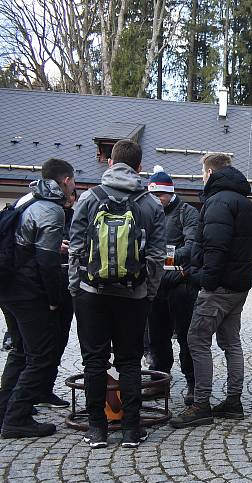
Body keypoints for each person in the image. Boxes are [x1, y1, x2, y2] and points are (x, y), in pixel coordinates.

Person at [69, 140, 166, 448]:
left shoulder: (88, 198)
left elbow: (75, 249)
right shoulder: (151, 204)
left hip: (91, 292)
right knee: (129, 361)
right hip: (133, 295)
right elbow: (156, 257)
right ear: (139, 168)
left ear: (109, 163)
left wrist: (76, 288)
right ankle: (131, 431)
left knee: (94, 361)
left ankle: (96, 430)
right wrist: (148, 292)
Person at [169, 153, 252, 428]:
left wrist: (203, 279)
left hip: (218, 287)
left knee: (197, 339)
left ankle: (201, 404)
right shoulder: (245, 202)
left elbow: (215, 248)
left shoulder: (218, 201)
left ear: (209, 173)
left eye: (202, 174)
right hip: (239, 285)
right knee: (231, 342)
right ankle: (233, 401)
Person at [0, 158, 75, 438]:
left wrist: (56, 246)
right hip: (28, 291)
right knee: (42, 355)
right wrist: (55, 298)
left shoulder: (28, 198)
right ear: (66, 181)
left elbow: (27, 241)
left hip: (8, 285)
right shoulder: (52, 208)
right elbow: (46, 262)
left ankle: (5, 409)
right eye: (74, 182)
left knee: (20, 350)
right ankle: (17, 418)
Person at [144, 167, 199, 405]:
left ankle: (192, 382)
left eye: (161, 196)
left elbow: (193, 246)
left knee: (186, 337)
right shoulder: (148, 212)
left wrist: (165, 257)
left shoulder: (186, 212)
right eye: (152, 196)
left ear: (170, 193)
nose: (156, 200)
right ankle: (159, 380)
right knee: (157, 337)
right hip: (155, 284)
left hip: (180, 285)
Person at [36, 189, 78, 409]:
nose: (71, 200)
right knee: (40, 343)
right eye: (69, 195)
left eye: (73, 196)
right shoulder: (47, 213)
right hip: (46, 283)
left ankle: (45, 388)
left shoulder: (75, 216)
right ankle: (32, 390)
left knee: (60, 337)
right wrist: (56, 246)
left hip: (66, 281)